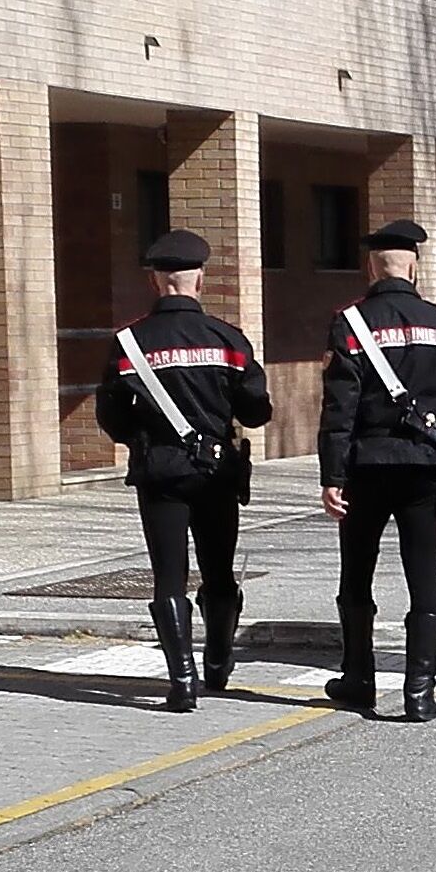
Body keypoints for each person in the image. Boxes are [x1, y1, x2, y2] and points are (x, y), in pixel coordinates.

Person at [96, 229, 273, 712]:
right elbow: (256, 410)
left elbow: (111, 415)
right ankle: (218, 661)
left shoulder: (128, 343)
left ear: (155, 281)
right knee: (219, 570)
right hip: (217, 472)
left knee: (168, 577)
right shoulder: (227, 339)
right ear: (200, 280)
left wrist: (142, 439)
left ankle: (182, 681)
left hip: (160, 471)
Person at [318, 220, 436, 723]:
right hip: (424, 469)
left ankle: (358, 681)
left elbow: (338, 410)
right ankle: (419, 693)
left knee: (356, 574)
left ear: (371, 268)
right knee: (424, 577)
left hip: (365, 469)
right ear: (414, 267)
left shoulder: (350, 324)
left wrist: (331, 477)